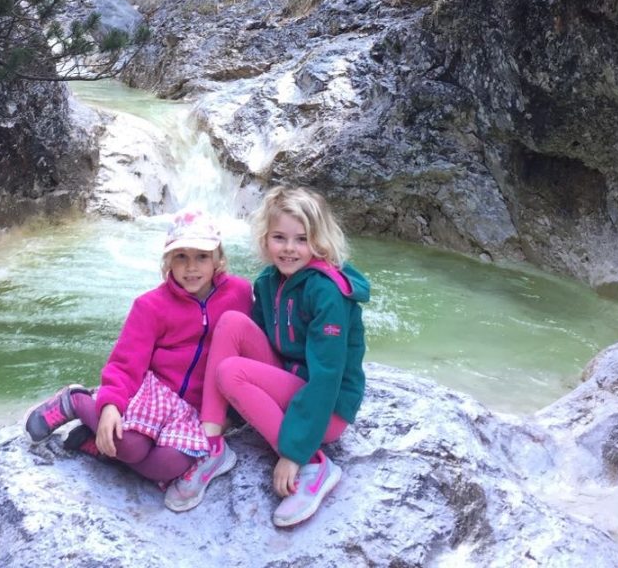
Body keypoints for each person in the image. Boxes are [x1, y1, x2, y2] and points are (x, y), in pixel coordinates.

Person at [166, 186, 369, 527]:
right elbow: (256, 348)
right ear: (265, 238)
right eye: (279, 237)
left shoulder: (327, 293)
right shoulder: (268, 282)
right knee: (232, 322)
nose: (289, 249)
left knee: (231, 372)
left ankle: (314, 467)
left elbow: (326, 378)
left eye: (301, 239)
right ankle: (211, 444)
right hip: (288, 386)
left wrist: (293, 452)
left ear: (319, 241)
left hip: (328, 409)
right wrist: (234, 412)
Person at [23, 209, 253, 492]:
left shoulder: (240, 293)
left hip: (195, 409)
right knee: (131, 447)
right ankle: (76, 401)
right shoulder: (151, 306)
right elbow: (125, 363)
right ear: (168, 260)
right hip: (154, 393)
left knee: (169, 466)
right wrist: (110, 405)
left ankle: (98, 444)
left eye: (202, 256)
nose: (191, 267)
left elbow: (250, 346)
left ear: (219, 258)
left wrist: (233, 413)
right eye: (181, 256)